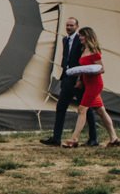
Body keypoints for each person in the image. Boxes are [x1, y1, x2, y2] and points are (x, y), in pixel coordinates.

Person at [42, 15, 99, 147]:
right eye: (67, 25)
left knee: (85, 109)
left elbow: (84, 61)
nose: (68, 28)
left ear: (77, 27)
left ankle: (93, 138)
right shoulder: (64, 40)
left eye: (71, 25)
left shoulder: (81, 41)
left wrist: (80, 79)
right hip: (67, 77)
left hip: (78, 79)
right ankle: (56, 138)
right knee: (61, 107)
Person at [64, 26, 120, 148]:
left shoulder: (94, 52)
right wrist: (80, 79)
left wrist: (91, 72)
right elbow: (82, 68)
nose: (80, 37)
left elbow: (102, 69)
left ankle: (74, 139)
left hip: (94, 85)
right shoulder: (83, 49)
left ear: (88, 36)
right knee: (101, 111)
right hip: (87, 83)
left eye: (82, 35)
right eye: (80, 35)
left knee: (82, 109)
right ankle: (114, 138)